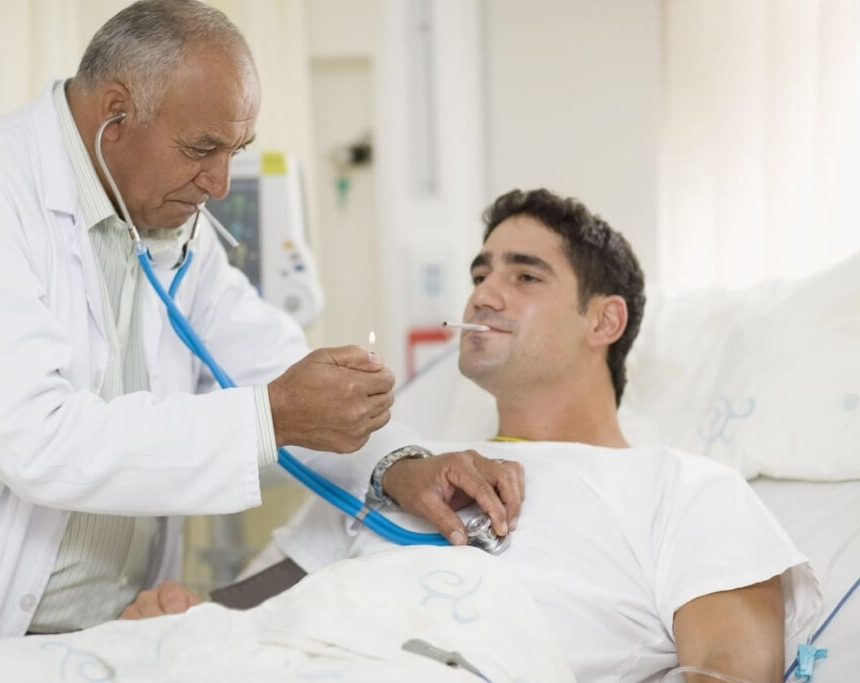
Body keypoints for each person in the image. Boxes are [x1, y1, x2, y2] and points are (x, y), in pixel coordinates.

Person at [0, 0, 521, 654]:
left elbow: (266, 365)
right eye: (202, 148)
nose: (219, 184)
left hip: (112, 630)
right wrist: (274, 414)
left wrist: (399, 463)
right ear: (115, 115)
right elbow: (38, 439)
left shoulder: (166, 223)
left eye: (236, 149)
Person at [269, 188, 821, 682]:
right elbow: (249, 610)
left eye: (525, 277)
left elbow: (727, 674)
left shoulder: (684, 489)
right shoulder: (401, 468)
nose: (483, 296)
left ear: (604, 322)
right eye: (479, 276)